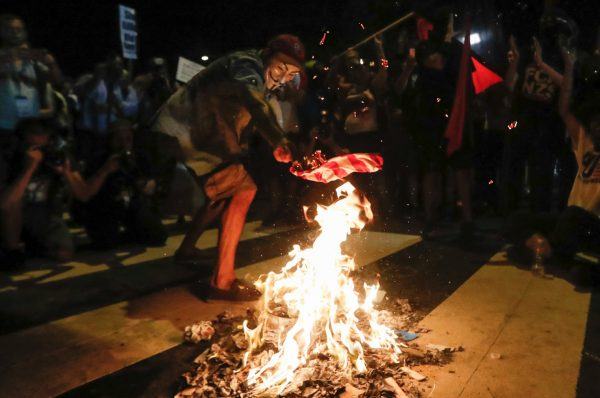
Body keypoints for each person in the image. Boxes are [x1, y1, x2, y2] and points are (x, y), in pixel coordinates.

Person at [151, 34, 302, 300]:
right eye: (280, 68)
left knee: (224, 192)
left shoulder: (267, 80)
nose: (282, 78)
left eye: (291, 74)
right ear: (267, 54)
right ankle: (221, 280)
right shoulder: (245, 64)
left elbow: (246, 114)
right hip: (184, 133)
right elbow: (254, 103)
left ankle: (187, 249)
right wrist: (279, 140)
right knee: (243, 190)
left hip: (202, 139)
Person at [505, 46, 600, 282]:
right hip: (569, 224)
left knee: (573, 217)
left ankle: (561, 256)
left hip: (592, 225)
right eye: (595, 122)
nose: (597, 127)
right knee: (516, 220)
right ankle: (557, 253)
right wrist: (568, 66)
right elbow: (565, 109)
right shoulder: (586, 142)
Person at [0, 118, 116, 268]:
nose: (42, 145)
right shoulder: (9, 156)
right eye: (35, 137)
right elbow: (6, 204)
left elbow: (83, 194)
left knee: (64, 253)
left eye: (45, 137)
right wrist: (28, 169)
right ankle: (12, 251)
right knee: (14, 206)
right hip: (13, 214)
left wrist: (66, 173)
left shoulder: (55, 153)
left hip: (43, 214)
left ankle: (34, 245)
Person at [72, 120, 166, 249]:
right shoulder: (99, 158)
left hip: (130, 203)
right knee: (105, 242)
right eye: (119, 139)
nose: (124, 144)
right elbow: (87, 193)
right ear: (110, 140)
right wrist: (105, 170)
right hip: (104, 207)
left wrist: (140, 180)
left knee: (158, 236)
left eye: (128, 139)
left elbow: (150, 189)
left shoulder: (139, 156)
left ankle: (127, 235)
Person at [0, 14, 61, 154]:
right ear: (2, 32)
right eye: (10, 29)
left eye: (19, 29)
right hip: (4, 124)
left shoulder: (35, 59)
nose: (15, 33)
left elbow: (57, 81)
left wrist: (51, 63)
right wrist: (14, 56)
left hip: (31, 125)